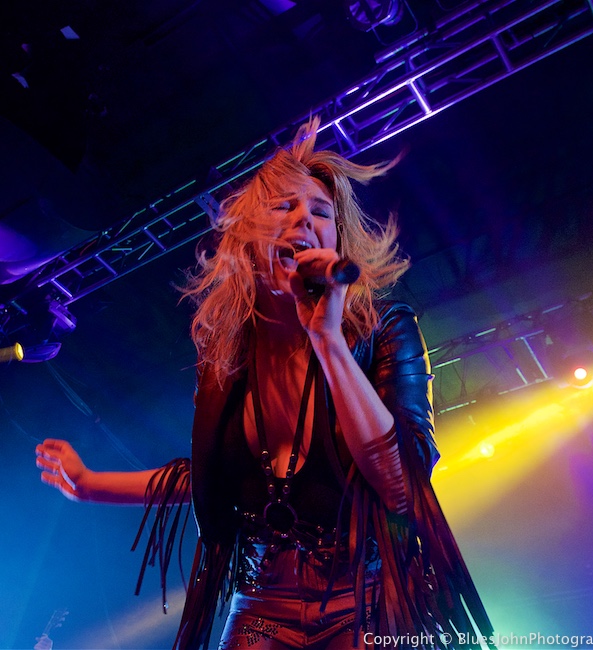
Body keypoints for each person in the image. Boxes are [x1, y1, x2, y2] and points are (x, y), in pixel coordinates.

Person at [36, 119, 493, 649]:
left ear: (336, 240)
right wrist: (89, 484)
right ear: (248, 238)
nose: (305, 219)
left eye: (321, 212)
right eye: (283, 206)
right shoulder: (227, 357)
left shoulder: (383, 331)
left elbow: (401, 487)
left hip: (365, 601)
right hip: (261, 608)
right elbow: (208, 477)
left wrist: (328, 341)